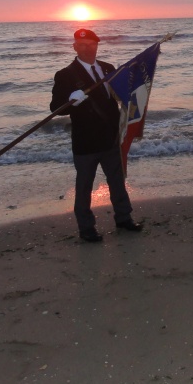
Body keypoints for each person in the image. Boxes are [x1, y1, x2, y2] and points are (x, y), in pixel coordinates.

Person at [50, 28, 143, 243]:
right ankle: (86, 228)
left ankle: (124, 218)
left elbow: (120, 97)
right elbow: (56, 108)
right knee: (84, 187)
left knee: (117, 182)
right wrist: (70, 100)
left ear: (97, 46)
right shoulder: (65, 75)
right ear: (74, 46)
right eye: (81, 45)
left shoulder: (108, 69)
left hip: (110, 138)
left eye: (91, 44)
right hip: (85, 142)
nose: (87, 48)